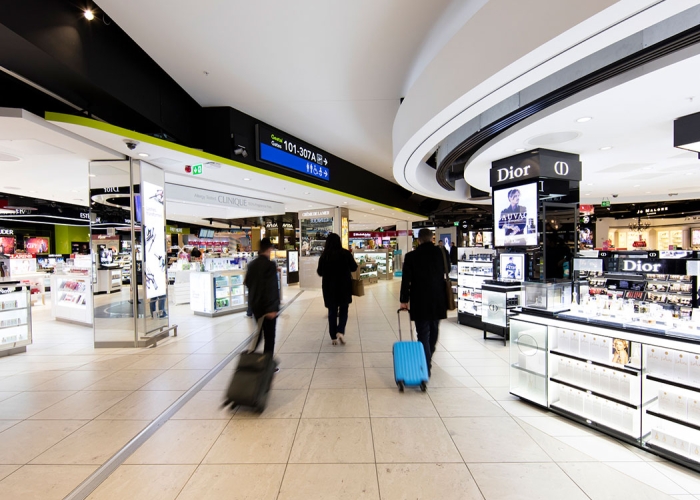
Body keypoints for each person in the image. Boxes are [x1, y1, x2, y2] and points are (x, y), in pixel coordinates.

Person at [400, 228, 447, 377]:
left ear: (418, 240)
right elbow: (447, 271)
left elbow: (406, 280)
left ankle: (425, 364)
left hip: (419, 299)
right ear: (432, 238)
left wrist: (404, 300)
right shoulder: (442, 254)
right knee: (434, 329)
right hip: (438, 298)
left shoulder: (411, 256)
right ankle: (428, 357)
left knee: (422, 333)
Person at [317, 233, 358, 345]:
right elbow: (354, 268)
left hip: (329, 288)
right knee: (344, 310)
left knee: (332, 311)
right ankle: (340, 331)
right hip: (344, 287)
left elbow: (320, 272)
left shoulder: (324, 256)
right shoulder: (346, 253)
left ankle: (333, 336)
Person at [244, 238, 280, 367]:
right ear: (269, 249)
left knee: (259, 332)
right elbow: (272, 287)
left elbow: (247, 283)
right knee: (269, 336)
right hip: (268, 307)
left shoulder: (251, 265)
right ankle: (266, 363)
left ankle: (250, 357)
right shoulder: (270, 265)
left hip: (256, 306)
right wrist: (273, 308)